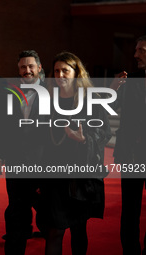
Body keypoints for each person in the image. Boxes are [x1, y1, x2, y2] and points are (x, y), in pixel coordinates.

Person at [37, 52, 111, 255]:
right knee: (55, 231)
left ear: (76, 73)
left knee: (79, 230)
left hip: (80, 175)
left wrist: (84, 138)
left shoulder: (91, 99)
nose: (60, 75)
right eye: (57, 71)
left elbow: (105, 132)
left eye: (65, 71)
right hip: (53, 175)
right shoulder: (48, 99)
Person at [3, 50, 46, 255]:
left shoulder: (52, 92)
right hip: (15, 162)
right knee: (16, 211)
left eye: (31, 66)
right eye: (23, 67)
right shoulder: (10, 92)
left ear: (39, 68)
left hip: (42, 164)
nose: (27, 70)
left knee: (45, 211)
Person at [110, 35, 146, 255]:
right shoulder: (128, 80)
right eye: (136, 50)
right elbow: (107, 106)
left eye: (141, 50)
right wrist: (113, 88)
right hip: (131, 154)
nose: (135, 55)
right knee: (130, 210)